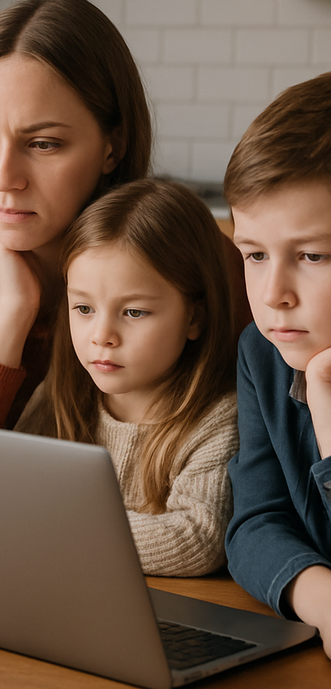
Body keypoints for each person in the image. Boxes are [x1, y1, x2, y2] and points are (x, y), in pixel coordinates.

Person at [0, 0, 248, 428]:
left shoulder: (206, 261)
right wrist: (13, 311)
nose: (3, 178)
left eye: (43, 144)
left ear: (113, 148)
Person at [15, 179, 238, 577]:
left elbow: (197, 540)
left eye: (133, 312)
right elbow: (9, 490)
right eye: (83, 308)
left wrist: (51, 527)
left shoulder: (219, 420)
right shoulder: (62, 393)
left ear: (194, 317)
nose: (102, 335)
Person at [224, 72, 331, 657]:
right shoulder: (262, 353)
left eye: (312, 255)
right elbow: (256, 521)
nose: (273, 294)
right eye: (255, 255)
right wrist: (322, 599)